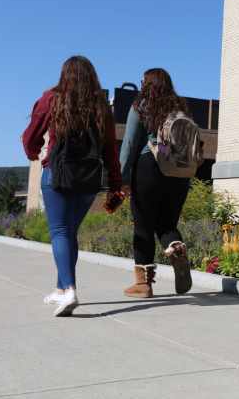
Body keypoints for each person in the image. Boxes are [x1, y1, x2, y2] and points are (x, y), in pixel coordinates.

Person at [22, 56, 122, 316]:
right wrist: (114, 184)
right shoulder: (100, 105)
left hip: (58, 174)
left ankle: (69, 290)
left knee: (59, 231)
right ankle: (60, 288)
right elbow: (111, 148)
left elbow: (31, 134)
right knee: (69, 232)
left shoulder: (51, 98)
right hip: (89, 178)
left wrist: (33, 153)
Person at [119, 68, 193, 298]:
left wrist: (120, 178)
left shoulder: (141, 105)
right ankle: (176, 248)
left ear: (147, 83)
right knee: (167, 224)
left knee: (143, 226)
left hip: (149, 167)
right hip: (179, 172)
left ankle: (144, 284)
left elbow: (130, 144)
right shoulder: (181, 107)